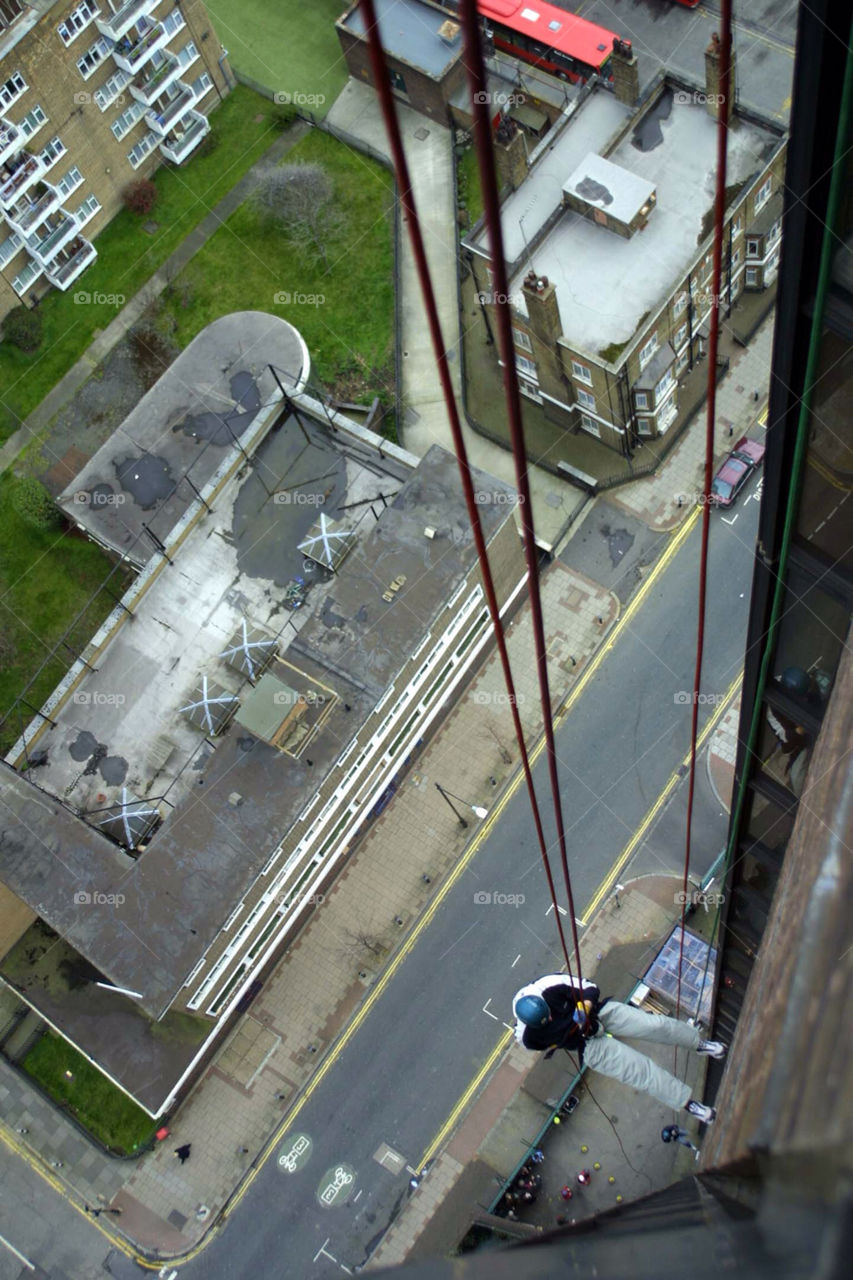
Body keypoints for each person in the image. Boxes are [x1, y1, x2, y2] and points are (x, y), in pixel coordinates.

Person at [512, 973, 725, 1123]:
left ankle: (699, 1044)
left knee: (655, 1026)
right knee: (640, 1072)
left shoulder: (547, 986)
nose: (550, 1018)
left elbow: (589, 987)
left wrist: (584, 1008)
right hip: (585, 1042)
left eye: (549, 1014)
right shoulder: (527, 1038)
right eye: (546, 1021)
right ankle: (690, 1104)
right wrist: (577, 1028)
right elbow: (552, 1042)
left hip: (597, 1013)